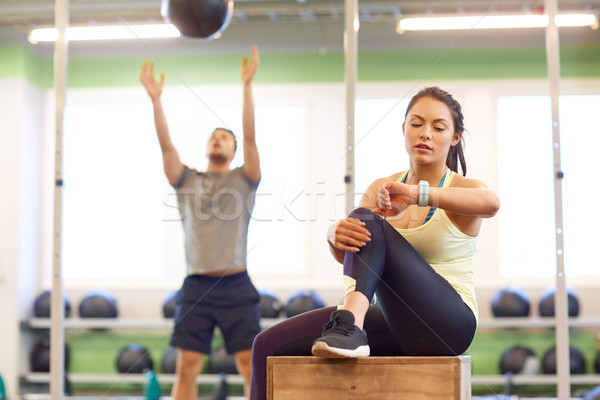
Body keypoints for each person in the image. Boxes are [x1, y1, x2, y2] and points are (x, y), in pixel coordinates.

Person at [249, 86, 500, 399]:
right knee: (266, 344)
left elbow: (491, 203)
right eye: (417, 123)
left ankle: (349, 324)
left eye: (438, 127)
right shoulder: (382, 188)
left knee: (369, 221)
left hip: (449, 324)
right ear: (404, 128)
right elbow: (359, 259)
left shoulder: (462, 187)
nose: (426, 134)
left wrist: (416, 194)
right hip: (396, 322)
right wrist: (333, 236)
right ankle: (350, 326)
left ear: (454, 138)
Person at [140, 46, 261, 400]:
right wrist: (156, 101)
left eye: (225, 137)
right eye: (213, 136)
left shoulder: (245, 179)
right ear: (207, 146)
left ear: (235, 150)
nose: (217, 139)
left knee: (250, 365)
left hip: (236, 285)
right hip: (195, 286)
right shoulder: (186, 179)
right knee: (186, 366)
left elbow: (251, 136)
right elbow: (166, 147)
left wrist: (247, 86)